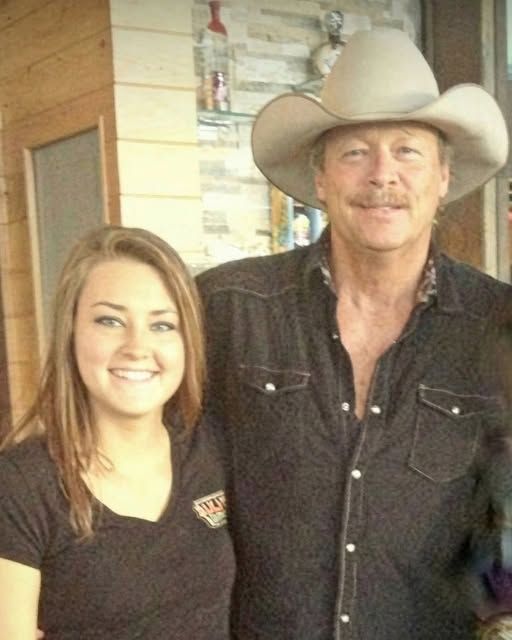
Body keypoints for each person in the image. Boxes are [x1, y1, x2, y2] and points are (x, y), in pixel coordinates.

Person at [196, 28, 512, 639]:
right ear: (320, 179)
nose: (381, 175)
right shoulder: (228, 309)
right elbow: (139, 466)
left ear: (443, 177)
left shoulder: (497, 324)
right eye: (355, 153)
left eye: (408, 151)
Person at [0, 226, 235, 639]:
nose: (136, 347)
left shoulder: (212, 447)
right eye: (110, 321)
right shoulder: (21, 485)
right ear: (71, 331)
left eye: (162, 325)